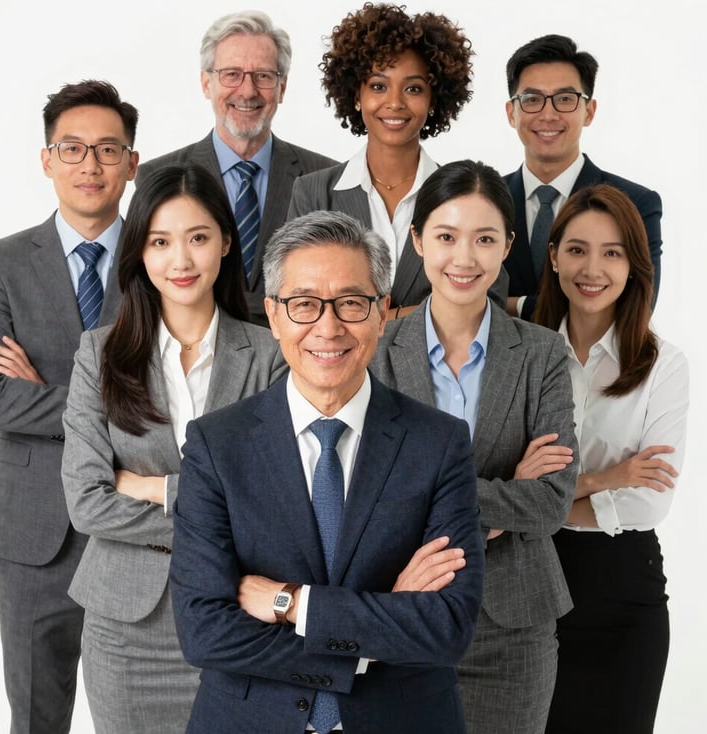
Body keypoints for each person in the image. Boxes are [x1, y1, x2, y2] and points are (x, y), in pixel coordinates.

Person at [170, 210, 485, 733]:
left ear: (382, 312)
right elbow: (205, 631)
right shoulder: (215, 444)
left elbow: (447, 627)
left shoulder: (439, 442)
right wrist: (372, 634)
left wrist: (292, 604)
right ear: (273, 315)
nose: (329, 326)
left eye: (352, 302)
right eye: (304, 304)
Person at [60, 164, 287, 732]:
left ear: (227, 243)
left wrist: (154, 487)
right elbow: (87, 502)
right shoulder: (100, 354)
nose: (180, 261)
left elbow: (280, 499)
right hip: (126, 632)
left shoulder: (269, 355)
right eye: (160, 242)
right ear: (138, 251)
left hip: (240, 620)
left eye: (198, 238)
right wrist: (218, 515)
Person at [370, 160, 578, 734]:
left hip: (513, 630)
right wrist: (506, 491)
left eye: (485, 239)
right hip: (401, 611)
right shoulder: (377, 352)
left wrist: (436, 500)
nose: (464, 259)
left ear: (508, 246)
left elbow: (553, 502)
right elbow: (371, 495)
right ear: (416, 239)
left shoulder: (541, 355)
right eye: (445, 236)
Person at [0, 80, 139, 733]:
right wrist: (107, 399)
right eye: (72, 148)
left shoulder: (162, 262)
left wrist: (45, 388)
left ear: (131, 162)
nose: (90, 164)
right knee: (37, 717)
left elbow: (173, 399)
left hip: (139, 524)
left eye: (106, 149)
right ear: (47, 159)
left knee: (144, 713)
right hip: (31, 531)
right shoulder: (1, 263)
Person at [532, 184, 689, 734]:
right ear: (553, 258)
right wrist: (606, 479)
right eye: (576, 249)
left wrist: (540, 500)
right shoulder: (523, 352)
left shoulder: (663, 365)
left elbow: (648, 503)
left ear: (633, 265)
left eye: (612, 252)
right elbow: (492, 480)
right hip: (530, 588)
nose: (591, 268)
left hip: (624, 595)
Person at [289, 2, 507, 318]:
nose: (394, 103)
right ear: (355, 94)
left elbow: (490, 305)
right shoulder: (313, 193)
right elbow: (298, 299)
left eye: (413, 88)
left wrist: (375, 316)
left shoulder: (467, 195)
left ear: (434, 99)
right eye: (378, 86)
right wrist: (426, 312)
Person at [136, 10, 337, 325]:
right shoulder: (156, 176)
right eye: (232, 74)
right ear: (206, 83)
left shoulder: (324, 178)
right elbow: (142, 286)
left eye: (263, 76)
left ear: (282, 88)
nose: (247, 91)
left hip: (295, 359)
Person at [503, 34, 662, 321]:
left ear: (589, 111)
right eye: (532, 99)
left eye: (565, 99)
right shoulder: (486, 201)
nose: (548, 114)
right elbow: (463, 303)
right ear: (511, 113)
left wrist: (516, 305)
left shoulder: (637, 203)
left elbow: (636, 306)